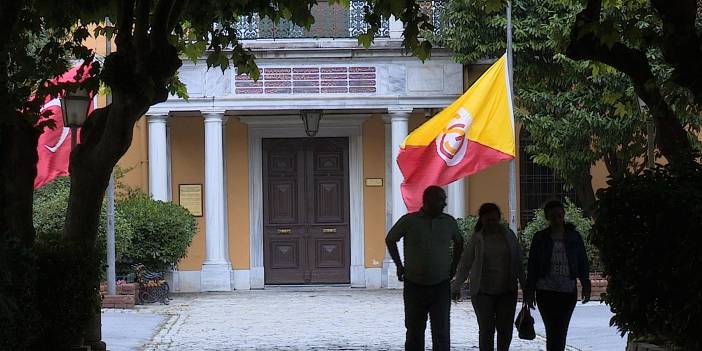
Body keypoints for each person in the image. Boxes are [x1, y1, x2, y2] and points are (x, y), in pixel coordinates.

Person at [386, 185, 464, 351]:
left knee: (441, 332)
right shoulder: (409, 221)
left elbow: (459, 241)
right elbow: (390, 239)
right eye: (441, 201)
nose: (444, 204)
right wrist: (399, 265)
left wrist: (454, 266)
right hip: (414, 284)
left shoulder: (449, 222)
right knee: (414, 331)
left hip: (441, 284)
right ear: (428, 201)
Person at [450, 203, 526, 351]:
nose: (491, 223)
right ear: (482, 220)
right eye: (488, 220)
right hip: (482, 291)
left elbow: (517, 262)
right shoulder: (477, 238)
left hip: (506, 290)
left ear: (499, 218)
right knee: (486, 329)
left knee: (505, 329)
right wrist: (456, 285)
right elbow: (466, 263)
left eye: (494, 219)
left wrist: (525, 286)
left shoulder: (509, 236)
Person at [524, 200, 591, 351]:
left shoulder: (574, 237)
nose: (557, 219)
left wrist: (585, 284)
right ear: (548, 218)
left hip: (567, 291)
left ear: (563, 215)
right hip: (545, 290)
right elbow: (533, 266)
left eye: (560, 216)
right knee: (551, 329)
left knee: (561, 329)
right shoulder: (540, 238)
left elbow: (582, 262)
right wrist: (529, 291)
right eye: (553, 216)